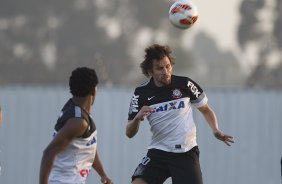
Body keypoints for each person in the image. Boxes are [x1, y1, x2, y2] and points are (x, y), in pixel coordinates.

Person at [126, 44, 234, 184]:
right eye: (160, 68)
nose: (166, 71)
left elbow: (206, 109)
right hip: (158, 152)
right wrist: (137, 118)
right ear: (150, 71)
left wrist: (215, 129)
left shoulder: (185, 84)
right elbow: (129, 132)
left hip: (186, 153)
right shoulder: (140, 93)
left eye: (168, 66)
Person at [40, 67, 113, 184]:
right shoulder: (78, 122)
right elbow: (48, 152)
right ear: (94, 90)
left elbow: (88, 146)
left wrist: (103, 175)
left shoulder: (77, 110)